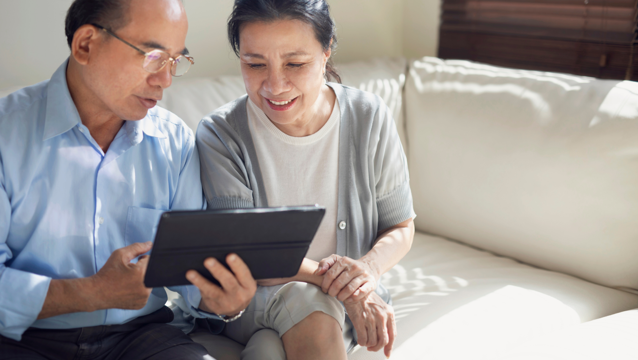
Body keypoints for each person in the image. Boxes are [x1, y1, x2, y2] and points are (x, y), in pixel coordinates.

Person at [0, 0, 257, 358]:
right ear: (86, 45)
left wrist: (226, 301)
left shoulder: (175, 142)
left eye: (175, 61)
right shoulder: (5, 134)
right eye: (153, 56)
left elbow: (192, 278)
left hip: (141, 337)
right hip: (21, 339)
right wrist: (92, 292)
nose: (165, 80)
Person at [194, 0, 416, 359]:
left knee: (268, 350)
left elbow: (401, 226)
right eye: (255, 64)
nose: (275, 85)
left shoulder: (368, 117)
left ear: (326, 53)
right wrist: (349, 290)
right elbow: (247, 253)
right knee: (306, 298)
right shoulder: (221, 134)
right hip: (255, 301)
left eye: (295, 64)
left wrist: (368, 271)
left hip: (340, 302)